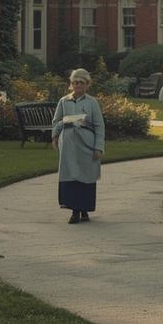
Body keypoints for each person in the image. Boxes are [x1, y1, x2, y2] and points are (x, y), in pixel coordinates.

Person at [52, 68, 105, 224]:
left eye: (81, 83)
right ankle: (74, 211)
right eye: (75, 82)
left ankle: (84, 209)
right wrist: (55, 136)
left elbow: (99, 126)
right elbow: (56, 122)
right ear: (71, 84)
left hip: (86, 145)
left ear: (87, 84)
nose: (78, 85)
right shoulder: (64, 101)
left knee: (86, 176)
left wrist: (99, 147)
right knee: (71, 176)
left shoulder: (92, 102)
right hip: (68, 145)